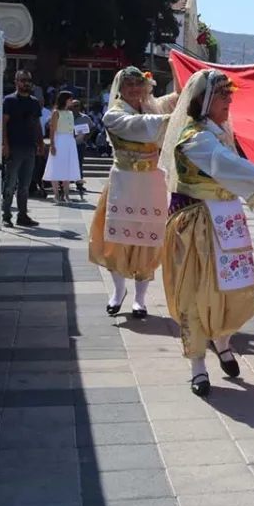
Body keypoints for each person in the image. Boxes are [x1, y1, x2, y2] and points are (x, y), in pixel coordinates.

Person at [160, 69, 254, 396]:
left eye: (230, 94)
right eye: (224, 94)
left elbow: (231, 161)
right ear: (204, 100)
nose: (229, 100)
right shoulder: (195, 137)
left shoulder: (219, 133)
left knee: (230, 290)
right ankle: (198, 366)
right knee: (195, 295)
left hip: (226, 221)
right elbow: (226, 164)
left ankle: (222, 342)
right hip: (196, 225)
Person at [89, 67, 178, 318]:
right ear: (120, 88)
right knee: (116, 240)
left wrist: (176, 68)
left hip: (151, 181)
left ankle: (140, 299)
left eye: (138, 84)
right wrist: (174, 118)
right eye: (129, 85)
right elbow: (138, 126)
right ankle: (118, 293)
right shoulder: (114, 115)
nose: (134, 89)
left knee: (148, 240)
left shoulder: (151, 108)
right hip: (124, 182)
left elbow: (176, 98)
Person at [1, 70, 44, 228]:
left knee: (25, 185)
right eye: (23, 80)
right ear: (16, 81)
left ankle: (23, 215)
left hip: (29, 147)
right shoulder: (9, 100)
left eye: (29, 80)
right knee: (10, 183)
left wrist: (40, 143)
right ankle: (6, 215)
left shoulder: (34, 102)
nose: (26, 83)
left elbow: (37, 124)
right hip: (14, 147)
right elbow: (3, 124)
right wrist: (5, 145)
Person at [42, 91, 81, 203]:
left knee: (68, 167)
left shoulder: (70, 113)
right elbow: (52, 130)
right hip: (59, 140)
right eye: (70, 99)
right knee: (57, 167)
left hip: (69, 141)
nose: (71, 101)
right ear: (65, 99)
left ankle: (67, 195)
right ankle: (56, 195)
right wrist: (52, 145)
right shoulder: (56, 112)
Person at [71, 99, 90, 196]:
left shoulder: (85, 117)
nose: (76, 107)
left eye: (77, 105)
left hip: (80, 145)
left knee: (79, 164)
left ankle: (79, 184)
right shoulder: (67, 116)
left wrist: (86, 137)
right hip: (68, 144)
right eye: (74, 105)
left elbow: (93, 128)